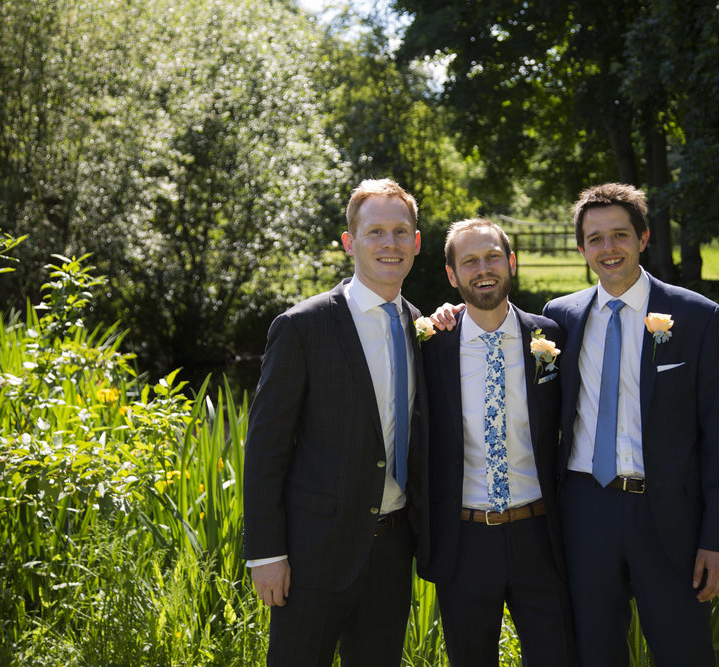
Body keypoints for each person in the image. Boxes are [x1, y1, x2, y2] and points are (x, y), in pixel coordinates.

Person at [542, 182, 719, 666]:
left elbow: (718, 436)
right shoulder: (559, 318)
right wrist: (448, 316)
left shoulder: (697, 317)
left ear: (644, 237)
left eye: (620, 235)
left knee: (684, 652)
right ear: (583, 247)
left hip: (667, 516)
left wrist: (717, 539)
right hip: (585, 509)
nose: (608, 249)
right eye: (595, 239)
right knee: (595, 651)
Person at [242, 178, 429, 666]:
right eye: (375, 232)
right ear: (350, 242)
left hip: (392, 552)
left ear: (416, 241)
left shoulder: (423, 327)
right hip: (312, 556)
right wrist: (266, 554)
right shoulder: (302, 327)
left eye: (401, 231)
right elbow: (265, 449)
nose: (390, 243)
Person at [420, 218, 575, 667]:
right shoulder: (431, 345)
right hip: (464, 539)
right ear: (452, 275)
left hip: (541, 534)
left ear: (511, 263)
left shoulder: (550, 337)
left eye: (492, 257)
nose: (482, 269)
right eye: (469, 261)